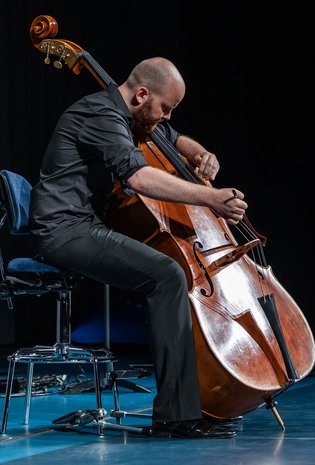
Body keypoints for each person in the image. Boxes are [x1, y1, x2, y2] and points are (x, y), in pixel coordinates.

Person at [28, 57, 248, 439]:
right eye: (165, 108)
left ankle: (188, 406)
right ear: (142, 94)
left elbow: (173, 139)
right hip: (63, 230)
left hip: (86, 226)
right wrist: (209, 199)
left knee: (169, 272)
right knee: (167, 275)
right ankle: (176, 417)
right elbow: (139, 177)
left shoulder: (130, 115)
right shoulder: (99, 113)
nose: (165, 117)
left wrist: (199, 155)